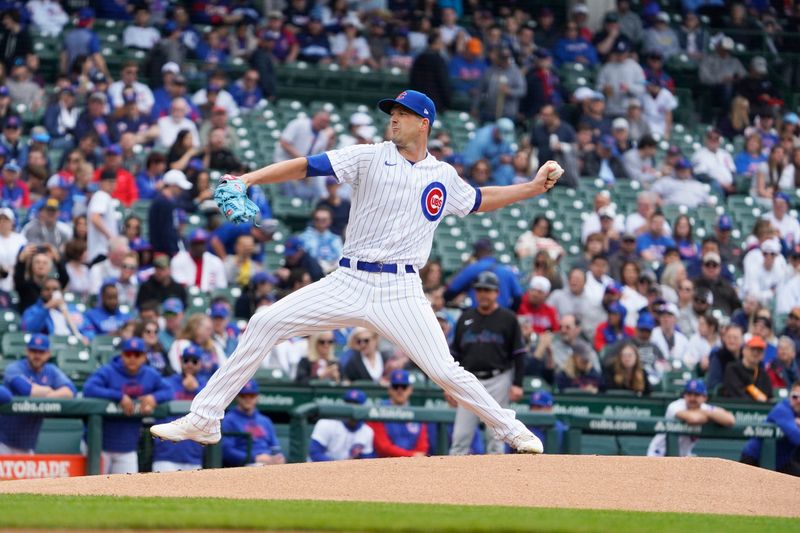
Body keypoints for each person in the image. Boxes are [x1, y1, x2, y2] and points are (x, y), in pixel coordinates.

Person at [151, 89, 555, 454]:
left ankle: (510, 428)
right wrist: (248, 179)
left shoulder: (443, 176)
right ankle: (204, 418)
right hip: (349, 279)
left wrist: (532, 188)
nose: (394, 119)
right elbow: (306, 166)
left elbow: (481, 199)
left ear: (424, 123)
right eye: (391, 113)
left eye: (403, 113)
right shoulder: (368, 155)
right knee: (263, 322)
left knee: (444, 370)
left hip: (401, 289)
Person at [449, 271, 526, 455]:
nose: (483, 294)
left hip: (498, 379)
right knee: (460, 437)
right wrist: (449, 386)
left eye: (487, 290)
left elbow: (519, 353)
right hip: (468, 381)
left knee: (496, 439)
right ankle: (450, 481)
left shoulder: (508, 319)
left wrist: (518, 384)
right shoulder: (465, 317)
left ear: (496, 293)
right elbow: (453, 355)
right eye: (480, 290)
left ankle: (496, 482)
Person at [83, 337, 172, 474]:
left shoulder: (150, 374)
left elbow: (169, 391)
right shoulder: (108, 371)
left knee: (125, 492)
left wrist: (154, 398)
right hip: (99, 446)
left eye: (137, 355)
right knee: (93, 490)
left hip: (128, 447)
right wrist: (118, 396)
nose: (132, 358)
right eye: (128, 354)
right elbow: (89, 388)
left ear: (144, 357)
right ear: (122, 355)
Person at [0, 334, 76, 454]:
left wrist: (46, 394)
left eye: (41, 352)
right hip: (3, 441)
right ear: (26, 351)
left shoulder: (51, 370)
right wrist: (50, 390)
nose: (37, 355)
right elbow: (26, 390)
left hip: (28, 444)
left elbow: (71, 391)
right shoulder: (14, 368)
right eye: (33, 351)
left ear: (48, 353)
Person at [151, 345, 206, 472]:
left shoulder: (205, 386)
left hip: (194, 457)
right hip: (165, 456)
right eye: (186, 360)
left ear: (200, 363)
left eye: (194, 361)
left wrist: (196, 390)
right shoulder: (166, 383)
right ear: (181, 361)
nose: (190, 364)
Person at [647, 379, 735, 457]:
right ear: (684, 395)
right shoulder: (675, 405)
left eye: (696, 394)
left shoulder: (704, 408)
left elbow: (730, 420)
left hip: (683, 455)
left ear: (704, 397)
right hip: (659, 452)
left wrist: (705, 414)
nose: (692, 398)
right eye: (689, 394)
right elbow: (693, 419)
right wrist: (710, 416)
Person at [221, 380, 285, 467]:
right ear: (237, 397)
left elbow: (275, 447)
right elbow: (226, 452)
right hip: (244, 466)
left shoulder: (265, 420)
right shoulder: (228, 420)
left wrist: (278, 458)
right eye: (244, 396)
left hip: (269, 463)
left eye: (252, 395)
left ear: (257, 396)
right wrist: (254, 458)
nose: (248, 399)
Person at [741, 380, 800, 474]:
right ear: (789, 397)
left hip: (781, 462)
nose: (798, 401)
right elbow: (797, 437)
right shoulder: (782, 409)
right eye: (795, 397)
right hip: (755, 459)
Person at [367, 369, 429, 458]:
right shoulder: (378, 410)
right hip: (385, 464)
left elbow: (422, 447)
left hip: (413, 465)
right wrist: (411, 455)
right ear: (390, 389)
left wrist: (413, 457)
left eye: (404, 387)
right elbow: (383, 447)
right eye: (396, 386)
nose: (400, 390)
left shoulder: (416, 413)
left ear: (410, 389)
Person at [308, 389, 375, 461]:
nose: (351, 407)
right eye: (348, 403)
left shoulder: (367, 431)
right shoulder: (326, 423)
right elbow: (314, 454)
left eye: (356, 404)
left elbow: (367, 460)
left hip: (349, 469)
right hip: (321, 468)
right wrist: (340, 465)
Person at [721, 335, 773, 402]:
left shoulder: (763, 375)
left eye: (759, 350)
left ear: (763, 355)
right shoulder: (732, 369)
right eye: (752, 349)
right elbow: (736, 393)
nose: (755, 353)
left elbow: (768, 397)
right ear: (744, 351)